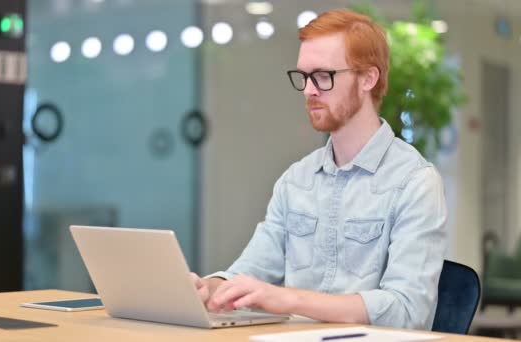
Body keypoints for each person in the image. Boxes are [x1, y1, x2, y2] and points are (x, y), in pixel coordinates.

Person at [191, 8, 447, 330]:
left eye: (323, 76)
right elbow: (249, 272)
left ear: (368, 78)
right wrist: (208, 288)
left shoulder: (415, 183)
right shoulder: (295, 181)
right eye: (305, 76)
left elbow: (408, 311)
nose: (310, 90)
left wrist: (288, 299)